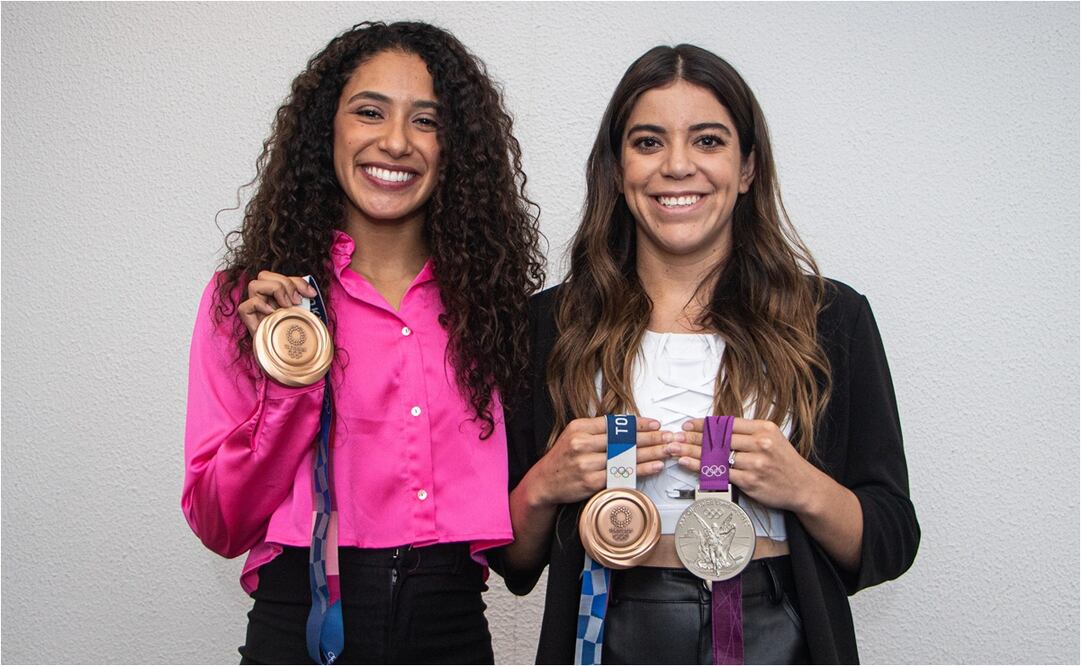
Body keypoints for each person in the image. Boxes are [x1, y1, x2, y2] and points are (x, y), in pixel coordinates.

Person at [493, 44, 919, 664]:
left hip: (781, 633)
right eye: (647, 142)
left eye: (709, 141)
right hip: (602, 630)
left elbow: (892, 538)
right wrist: (544, 484)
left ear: (747, 168)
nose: (677, 166)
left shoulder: (830, 318)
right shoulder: (551, 324)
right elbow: (511, 561)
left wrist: (802, 485)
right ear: (617, 168)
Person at [182, 21, 543, 664]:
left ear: (455, 146)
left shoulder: (492, 311)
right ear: (329, 129)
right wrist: (289, 382)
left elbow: (522, 538)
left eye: (426, 121)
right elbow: (220, 526)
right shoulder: (253, 305)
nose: (396, 141)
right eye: (369, 111)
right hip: (302, 623)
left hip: (452, 628)